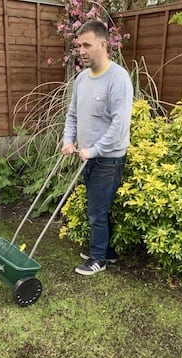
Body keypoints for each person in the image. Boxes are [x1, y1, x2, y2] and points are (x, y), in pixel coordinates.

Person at [61, 20, 133, 276]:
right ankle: (106, 251)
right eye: (79, 45)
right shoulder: (82, 79)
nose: (81, 50)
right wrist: (68, 141)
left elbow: (119, 125)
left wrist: (94, 150)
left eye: (87, 45)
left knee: (97, 211)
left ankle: (98, 259)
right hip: (86, 156)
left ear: (103, 45)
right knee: (98, 207)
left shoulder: (118, 78)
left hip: (108, 159)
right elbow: (72, 115)